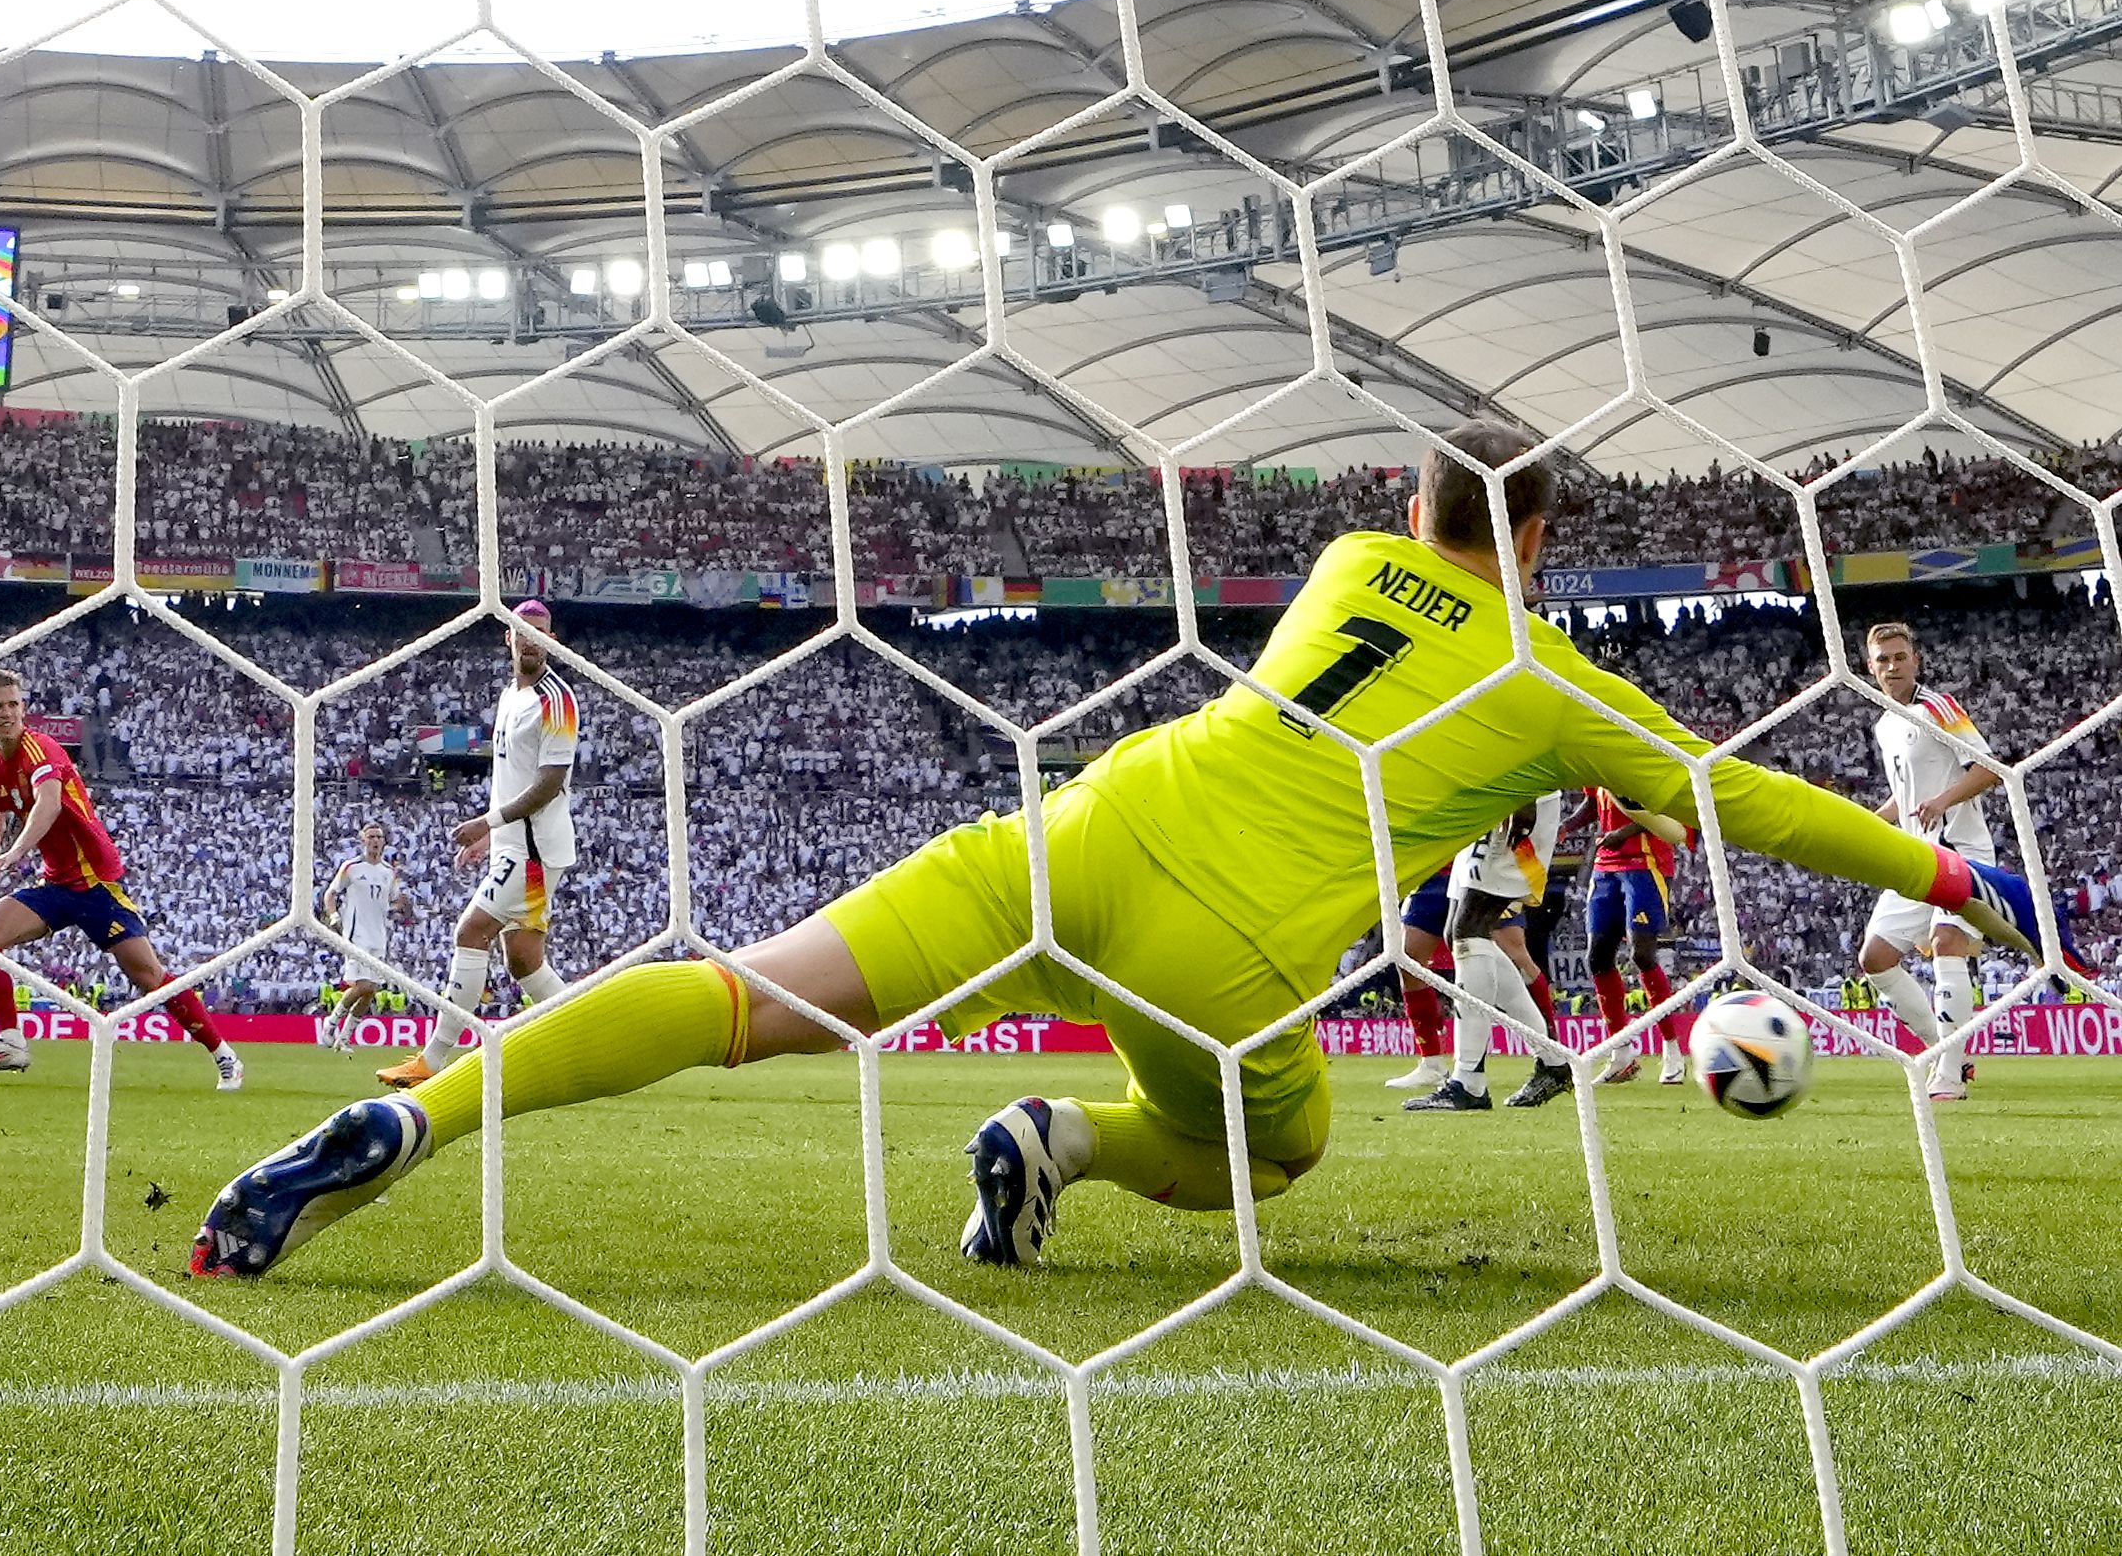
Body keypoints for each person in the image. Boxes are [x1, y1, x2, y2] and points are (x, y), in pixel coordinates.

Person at [189, 420, 2076, 1280]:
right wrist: (1952, 876)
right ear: (1543, 548)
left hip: (1085, 824)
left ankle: (416, 1120)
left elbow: (1430, 545)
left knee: (740, 996)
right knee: (1281, 1145)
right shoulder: (1540, 663)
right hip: (1227, 948)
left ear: (1401, 513)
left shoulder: (1347, 567)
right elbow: (1743, 795)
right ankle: (1061, 1145)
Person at [0, 669, 241, 1089]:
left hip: (96, 882)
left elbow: (48, 803)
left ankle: (224, 1055)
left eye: (13, 703)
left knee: (148, 977)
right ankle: (11, 1041)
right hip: (57, 886)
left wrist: (18, 852)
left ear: (23, 707)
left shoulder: (41, 748)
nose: (8, 712)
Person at [374, 601, 578, 1089]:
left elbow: (550, 782)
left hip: (533, 851)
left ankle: (432, 1060)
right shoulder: (511, 695)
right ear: (509, 638)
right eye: (524, 632)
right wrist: (494, 835)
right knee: (524, 959)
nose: (533, 640)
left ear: (553, 639)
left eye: (542, 632)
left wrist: (486, 822)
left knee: (471, 932)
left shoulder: (558, 700)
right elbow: (512, 778)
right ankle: (586, 1046)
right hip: (515, 843)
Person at [1853, 620, 2001, 1100]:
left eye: (1900, 657)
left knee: (1946, 942)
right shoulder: (1884, 724)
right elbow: (1906, 796)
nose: (1892, 666)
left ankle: (1950, 1078)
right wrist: (1873, 822)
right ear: (1869, 668)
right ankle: (1946, 1050)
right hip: (1916, 854)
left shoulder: (1939, 708)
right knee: (1874, 958)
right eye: (1883, 660)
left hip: (1960, 850)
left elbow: (1988, 770)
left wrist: (1944, 801)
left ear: (1915, 660)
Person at [1404, 793, 1570, 1111]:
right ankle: (1552, 1060)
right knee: (1459, 931)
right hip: (1486, 802)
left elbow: (1524, 742)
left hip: (1512, 796)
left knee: (1469, 928)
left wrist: (1525, 796)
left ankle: (1468, 1082)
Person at [1571, 788, 1693, 1084]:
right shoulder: (1595, 757)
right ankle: (1620, 1055)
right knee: (1598, 957)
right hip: (1606, 866)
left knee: (1642, 954)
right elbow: (1592, 802)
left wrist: (1623, 833)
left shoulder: (1638, 751)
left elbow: (1664, 809)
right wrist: (1567, 825)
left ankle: (1672, 1049)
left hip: (1645, 863)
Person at [316, 821, 408, 1054]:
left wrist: (402, 906)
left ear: (384, 842)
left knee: (372, 989)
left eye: (379, 837)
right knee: (362, 984)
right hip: (356, 933)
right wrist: (334, 916)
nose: (375, 841)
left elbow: (394, 900)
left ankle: (344, 1038)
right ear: (363, 840)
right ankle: (332, 1023)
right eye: (371, 837)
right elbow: (331, 893)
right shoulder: (352, 867)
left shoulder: (388, 872)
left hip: (379, 935)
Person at [1383, 866, 1455, 1090]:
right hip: (1428, 874)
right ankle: (1432, 1062)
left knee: (1505, 958)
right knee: (1408, 960)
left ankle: (1550, 1056)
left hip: (1474, 869)